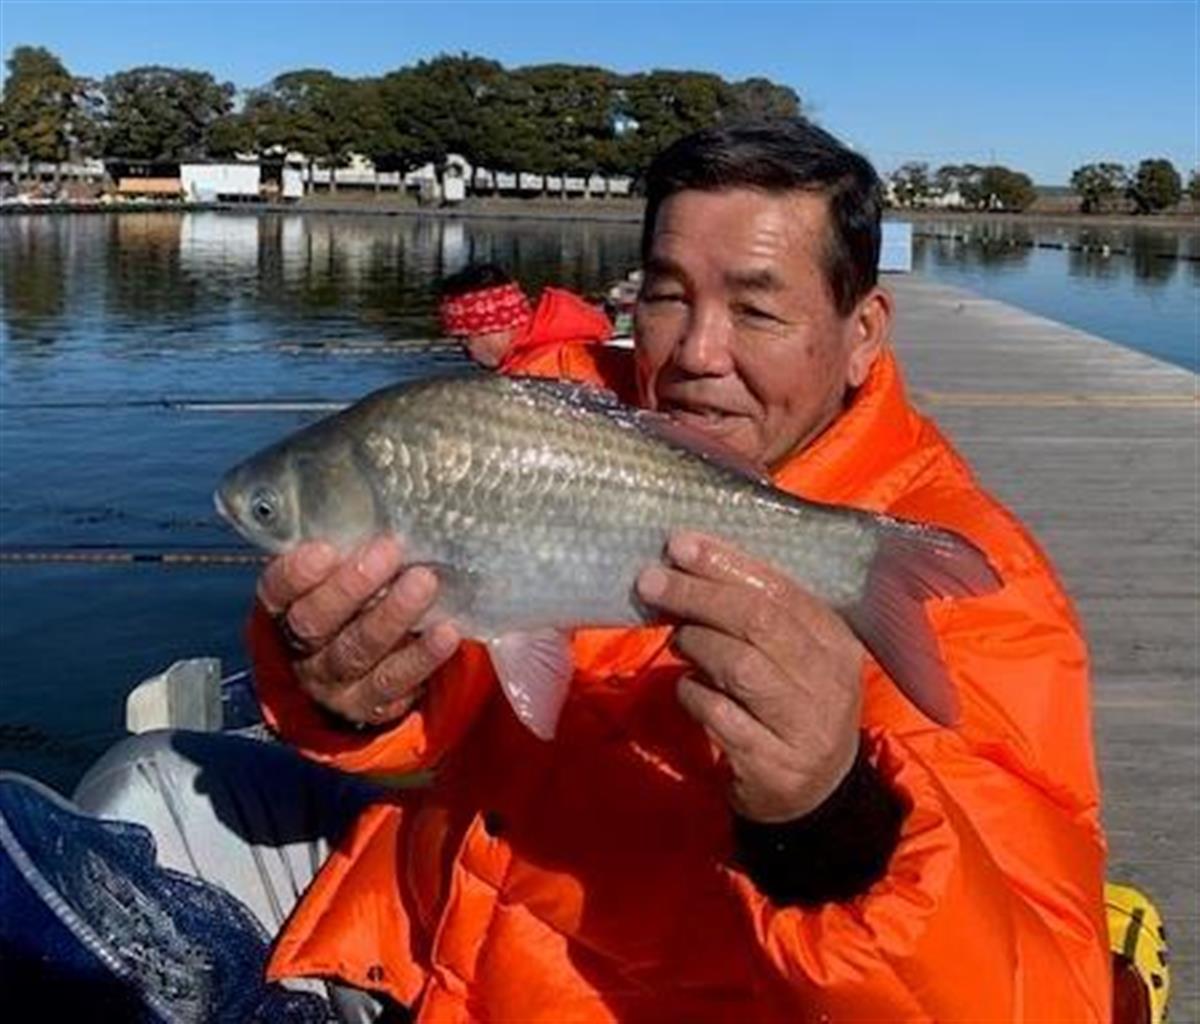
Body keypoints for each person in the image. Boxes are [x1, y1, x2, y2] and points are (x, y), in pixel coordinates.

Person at [26, 120, 1114, 1021]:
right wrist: (340, 690)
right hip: (408, 932)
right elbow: (452, 704)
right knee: (127, 787)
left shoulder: (976, 582)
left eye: (759, 306)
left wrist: (832, 822)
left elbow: (1038, 993)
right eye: (669, 293)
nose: (693, 351)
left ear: (864, 329)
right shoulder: (562, 408)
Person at [436, 262, 616, 378]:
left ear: (493, 327)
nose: (465, 352)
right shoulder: (573, 345)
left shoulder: (533, 375)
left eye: (465, 339)